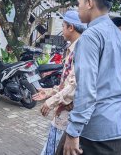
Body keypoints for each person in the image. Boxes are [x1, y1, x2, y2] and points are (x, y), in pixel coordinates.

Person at [62, 0, 121, 155]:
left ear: (89, 3)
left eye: (78, 4)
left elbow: (86, 89)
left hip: (94, 131)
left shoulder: (91, 36)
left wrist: (73, 132)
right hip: (118, 127)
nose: (78, 9)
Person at [32, 10, 85, 155]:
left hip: (70, 115)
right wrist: (48, 92)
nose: (61, 30)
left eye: (63, 26)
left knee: (58, 149)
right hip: (64, 112)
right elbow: (67, 83)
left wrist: (51, 102)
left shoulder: (81, 49)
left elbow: (74, 87)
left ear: (71, 28)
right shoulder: (72, 48)